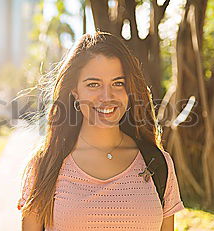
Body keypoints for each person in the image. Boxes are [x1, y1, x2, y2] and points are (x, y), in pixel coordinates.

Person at [17, 30, 185, 231]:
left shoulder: (158, 164)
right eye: (93, 84)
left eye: (118, 83)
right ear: (75, 91)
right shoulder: (44, 166)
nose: (107, 96)